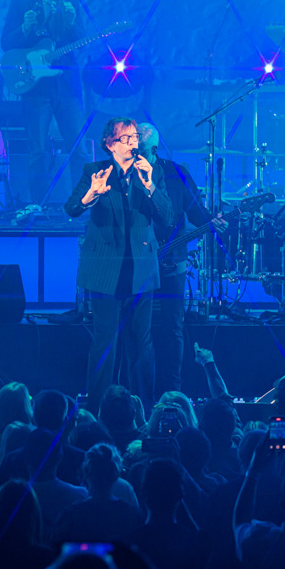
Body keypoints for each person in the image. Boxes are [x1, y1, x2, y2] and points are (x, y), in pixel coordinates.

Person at [64, 117, 173, 412]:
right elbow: (71, 208)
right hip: (105, 271)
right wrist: (92, 194)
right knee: (105, 342)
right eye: (126, 138)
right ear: (110, 144)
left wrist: (149, 185)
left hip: (141, 270)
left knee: (141, 343)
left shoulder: (151, 171)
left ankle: (143, 410)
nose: (133, 142)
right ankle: (97, 411)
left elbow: (167, 218)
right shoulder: (95, 171)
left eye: (135, 137)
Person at [134, 123, 225, 400]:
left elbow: (196, 212)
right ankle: (140, 391)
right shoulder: (125, 174)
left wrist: (212, 221)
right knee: (139, 328)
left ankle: (173, 391)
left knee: (173, 326)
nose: (135, 154)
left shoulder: (176, 173)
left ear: (154, 149)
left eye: (140, 150)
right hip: (139, 263)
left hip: (173, 262)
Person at [2, 0, 88, 205]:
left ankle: (81, 205)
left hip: (66, 86)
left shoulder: (69, 1)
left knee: (78, 149)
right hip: (35, 89)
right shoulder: (20, 2)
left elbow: (82, 43)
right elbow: (6, 43)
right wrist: (24, 27)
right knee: (36, 151)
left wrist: (71, 23)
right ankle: (37, 208)